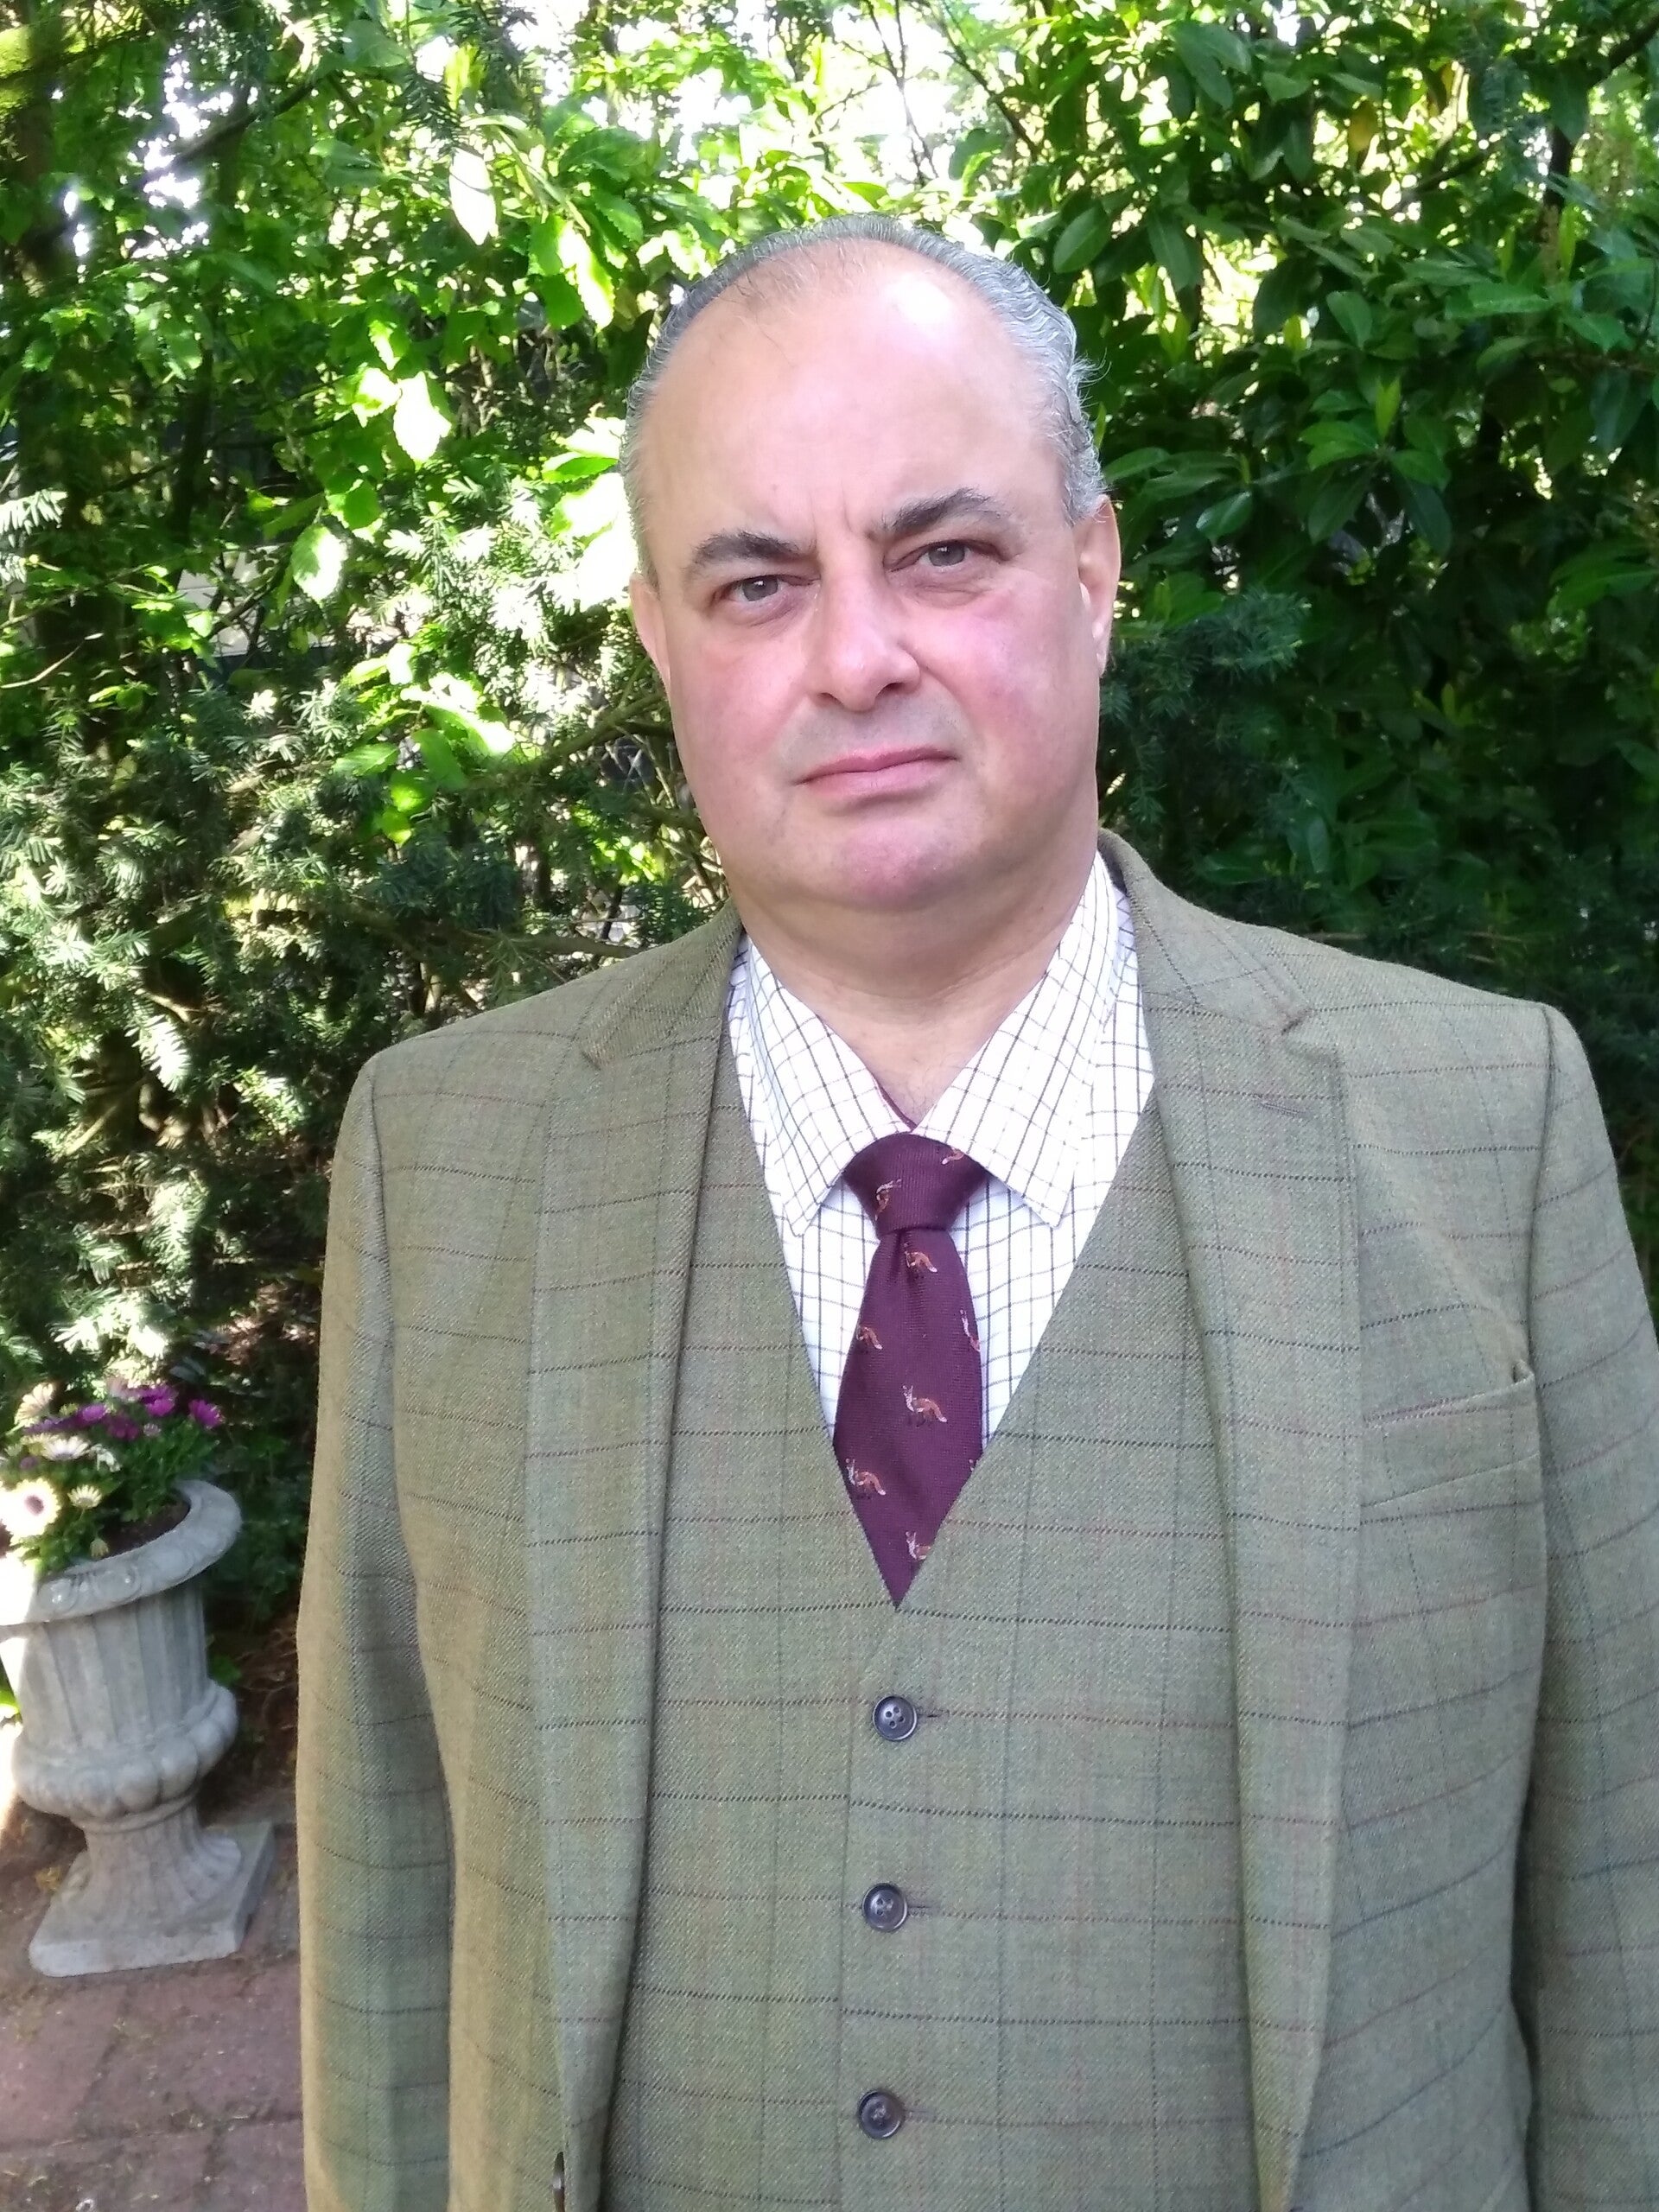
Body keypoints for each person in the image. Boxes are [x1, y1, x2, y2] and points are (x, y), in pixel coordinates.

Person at [296, 216, 1659, 2212]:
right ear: (664, 644)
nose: (857, 656)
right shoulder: (442, 1158)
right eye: (758, 582)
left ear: (1095, 576)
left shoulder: (1485, 1128)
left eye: (942, 552)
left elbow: (1625, 1898)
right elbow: (383, 1893)